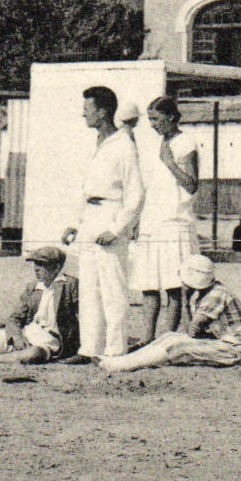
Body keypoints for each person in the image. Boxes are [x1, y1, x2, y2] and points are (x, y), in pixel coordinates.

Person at [61, 85, 144, 363]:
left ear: (103, 111)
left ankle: (115, 349)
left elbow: (136, 194)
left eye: (88, 109)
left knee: (113, 289)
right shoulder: (98, 144)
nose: (83, 114)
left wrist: (117, 229)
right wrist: (75, 223)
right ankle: (89, 349)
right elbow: (88, 190)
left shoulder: (124, 145)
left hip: (111, 217)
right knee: (88, 289)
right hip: (91, 219)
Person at [100, 255, 241, 372]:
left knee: (179, 347)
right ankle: (123, 361)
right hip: (222, 344)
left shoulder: (215, 295)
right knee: (170, 337)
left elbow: (191, 331)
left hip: (234, 350)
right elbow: (190, 330)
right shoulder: (205, 293)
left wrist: (185, 298)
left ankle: (123, 365)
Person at [134, 97, 199, 341]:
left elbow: (192, 186)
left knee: (173, 286)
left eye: (157, 119)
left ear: (171, 117)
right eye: (150, 119)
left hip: (175, 222)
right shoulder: (158, 143)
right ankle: (146, 338)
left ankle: (167, 339)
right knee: (148, 285)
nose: (153, 124)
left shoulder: (186, 143)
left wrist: (170, 163)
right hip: (152, 222)